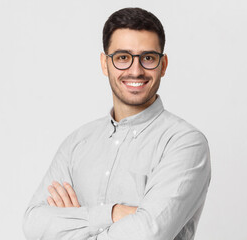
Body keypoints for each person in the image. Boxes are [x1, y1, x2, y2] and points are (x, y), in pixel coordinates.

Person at [23, 7, 211, 240]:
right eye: (123, 57)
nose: (136, 70)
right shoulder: (77, 143)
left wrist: (73, 223)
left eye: (148, 58)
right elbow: (33, 224)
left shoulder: (185, 143)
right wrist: (113, 213)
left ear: (163, 65)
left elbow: (147, 234)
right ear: (105, 63)